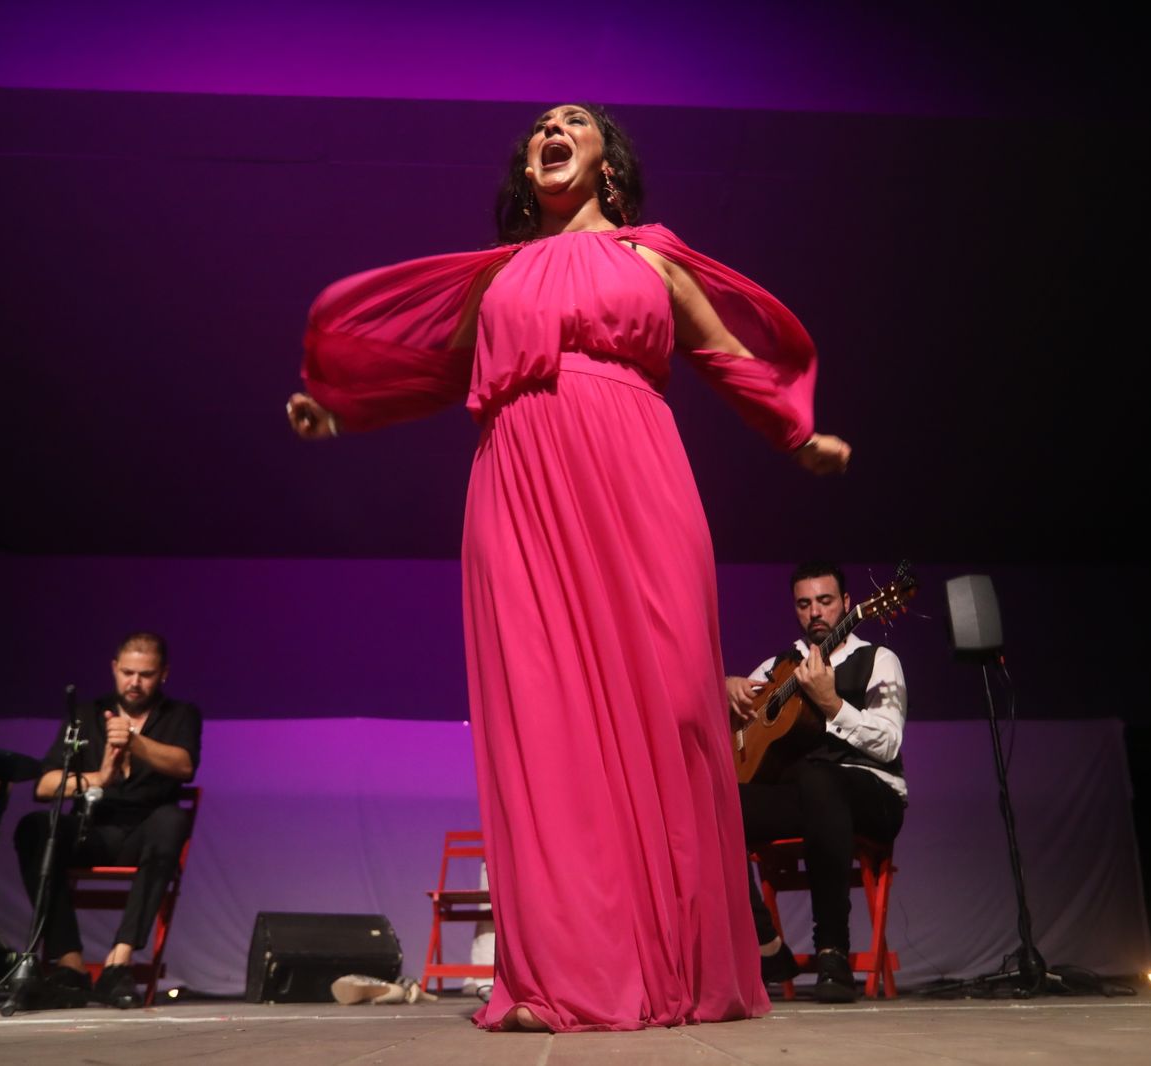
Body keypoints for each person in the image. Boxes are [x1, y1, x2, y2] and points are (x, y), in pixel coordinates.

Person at [286, 103, 851, 1032]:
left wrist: (797, 434)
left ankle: (680, 957)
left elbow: (724, 353)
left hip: (638, 473)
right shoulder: (501, 273)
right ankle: (570, 970)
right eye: (541, 125)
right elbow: (437, 370)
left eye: (575, 120)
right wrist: (344, 413)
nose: (553, 127)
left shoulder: (651, 256)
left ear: (606, 160)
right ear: (531, 166)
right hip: (519, 489)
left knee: (673, 704)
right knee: (547, 721)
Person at [726, 562, 907, 1003]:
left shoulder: (878, 660)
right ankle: (768, 946)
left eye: (825, 601)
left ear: (846, 604)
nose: (815, 613)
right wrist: (726, 689)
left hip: (872, 793)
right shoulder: (778, 665)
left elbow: (889, 742)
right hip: (807, 798)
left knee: (820, 778)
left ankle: (832, 951)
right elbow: (743, 727)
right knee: (716, 804)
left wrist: (832, 704)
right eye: (804, 604)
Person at [13, 632, 200, 1009]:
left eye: (145, 674)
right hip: (92, 830)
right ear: (114, 669)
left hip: (146, 832)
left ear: (163, 674)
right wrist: (97, 778)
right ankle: (70, 965)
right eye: (127, 672)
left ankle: (119, 962)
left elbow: (185, 765)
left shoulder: (181, 715)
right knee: (34, 827)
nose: (134, 682)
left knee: (171, 821)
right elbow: (45, 785)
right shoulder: (85, 715)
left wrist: (134, 742)